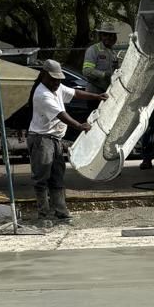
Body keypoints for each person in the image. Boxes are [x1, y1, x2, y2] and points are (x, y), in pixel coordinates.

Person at [27, 60, 99, 224]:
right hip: (41, 138)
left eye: (59, 79)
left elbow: (75, 93)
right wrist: (79, 125)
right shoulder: (42, 94)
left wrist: (97, 96)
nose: (57, 82)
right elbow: (61, 114)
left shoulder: (57, 87)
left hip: (55, 138)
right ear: (44, 76)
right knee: (42, 176)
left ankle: (60, 210)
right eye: (53, 79)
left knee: (57, 175)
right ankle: (44, 213)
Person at [82, 26, 119, 93]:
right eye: (105, 34)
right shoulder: (93, 50)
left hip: (108, 92)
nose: (108, 37)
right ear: (100, 36)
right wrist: (104, 74)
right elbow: (86, 71)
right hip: (94, 93)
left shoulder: (113, 53)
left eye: (111, 35)